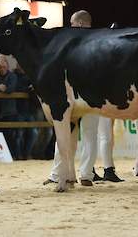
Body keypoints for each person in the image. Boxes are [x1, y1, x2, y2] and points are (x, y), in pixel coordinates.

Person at [44, 10, 123, 186]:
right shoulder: (100, 41)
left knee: (65, 132)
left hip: (75, 96)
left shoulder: (69, 44)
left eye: (72, 24)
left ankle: (59, 174)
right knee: (89, 134)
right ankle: (85, 174)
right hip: (93, 95)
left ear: (79, 24)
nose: (71, 27)